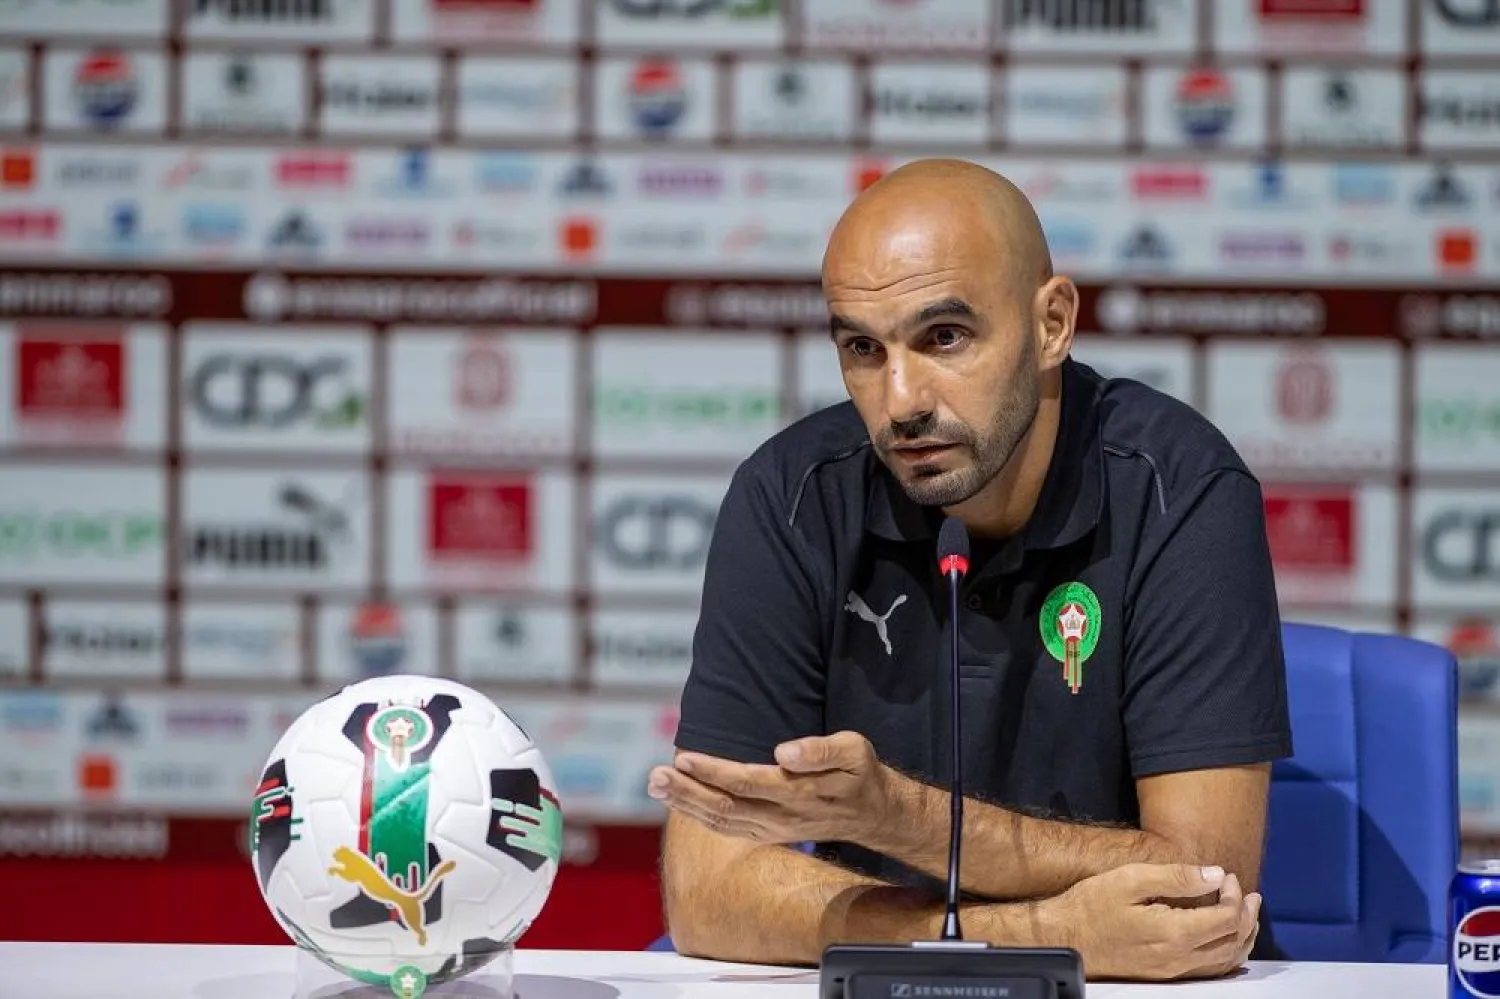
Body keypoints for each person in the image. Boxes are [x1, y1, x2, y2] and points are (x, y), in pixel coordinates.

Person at [647, 158, 1293, 981]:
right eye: (862, 349)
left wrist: (898, 816)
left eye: (943, 337)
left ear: (1053, 323)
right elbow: (707, 891)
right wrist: (1043, 933)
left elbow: (1204, 887)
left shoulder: (1180, 489)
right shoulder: (791, 499)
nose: (902, 398)